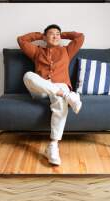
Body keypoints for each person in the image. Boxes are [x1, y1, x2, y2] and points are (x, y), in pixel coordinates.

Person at [17, 24, 85, 166]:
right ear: (44, 37)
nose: (55, 36)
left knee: (60, 95)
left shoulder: (66, 51)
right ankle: (68, 96)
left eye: (57, 34)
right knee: (28, 75)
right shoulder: (37, 51)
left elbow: (80, 37)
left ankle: (53, 146)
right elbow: (21, 40)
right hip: (41, 91)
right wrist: (39, 35)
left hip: (60, 87)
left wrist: (63, 34)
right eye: (51, 34)